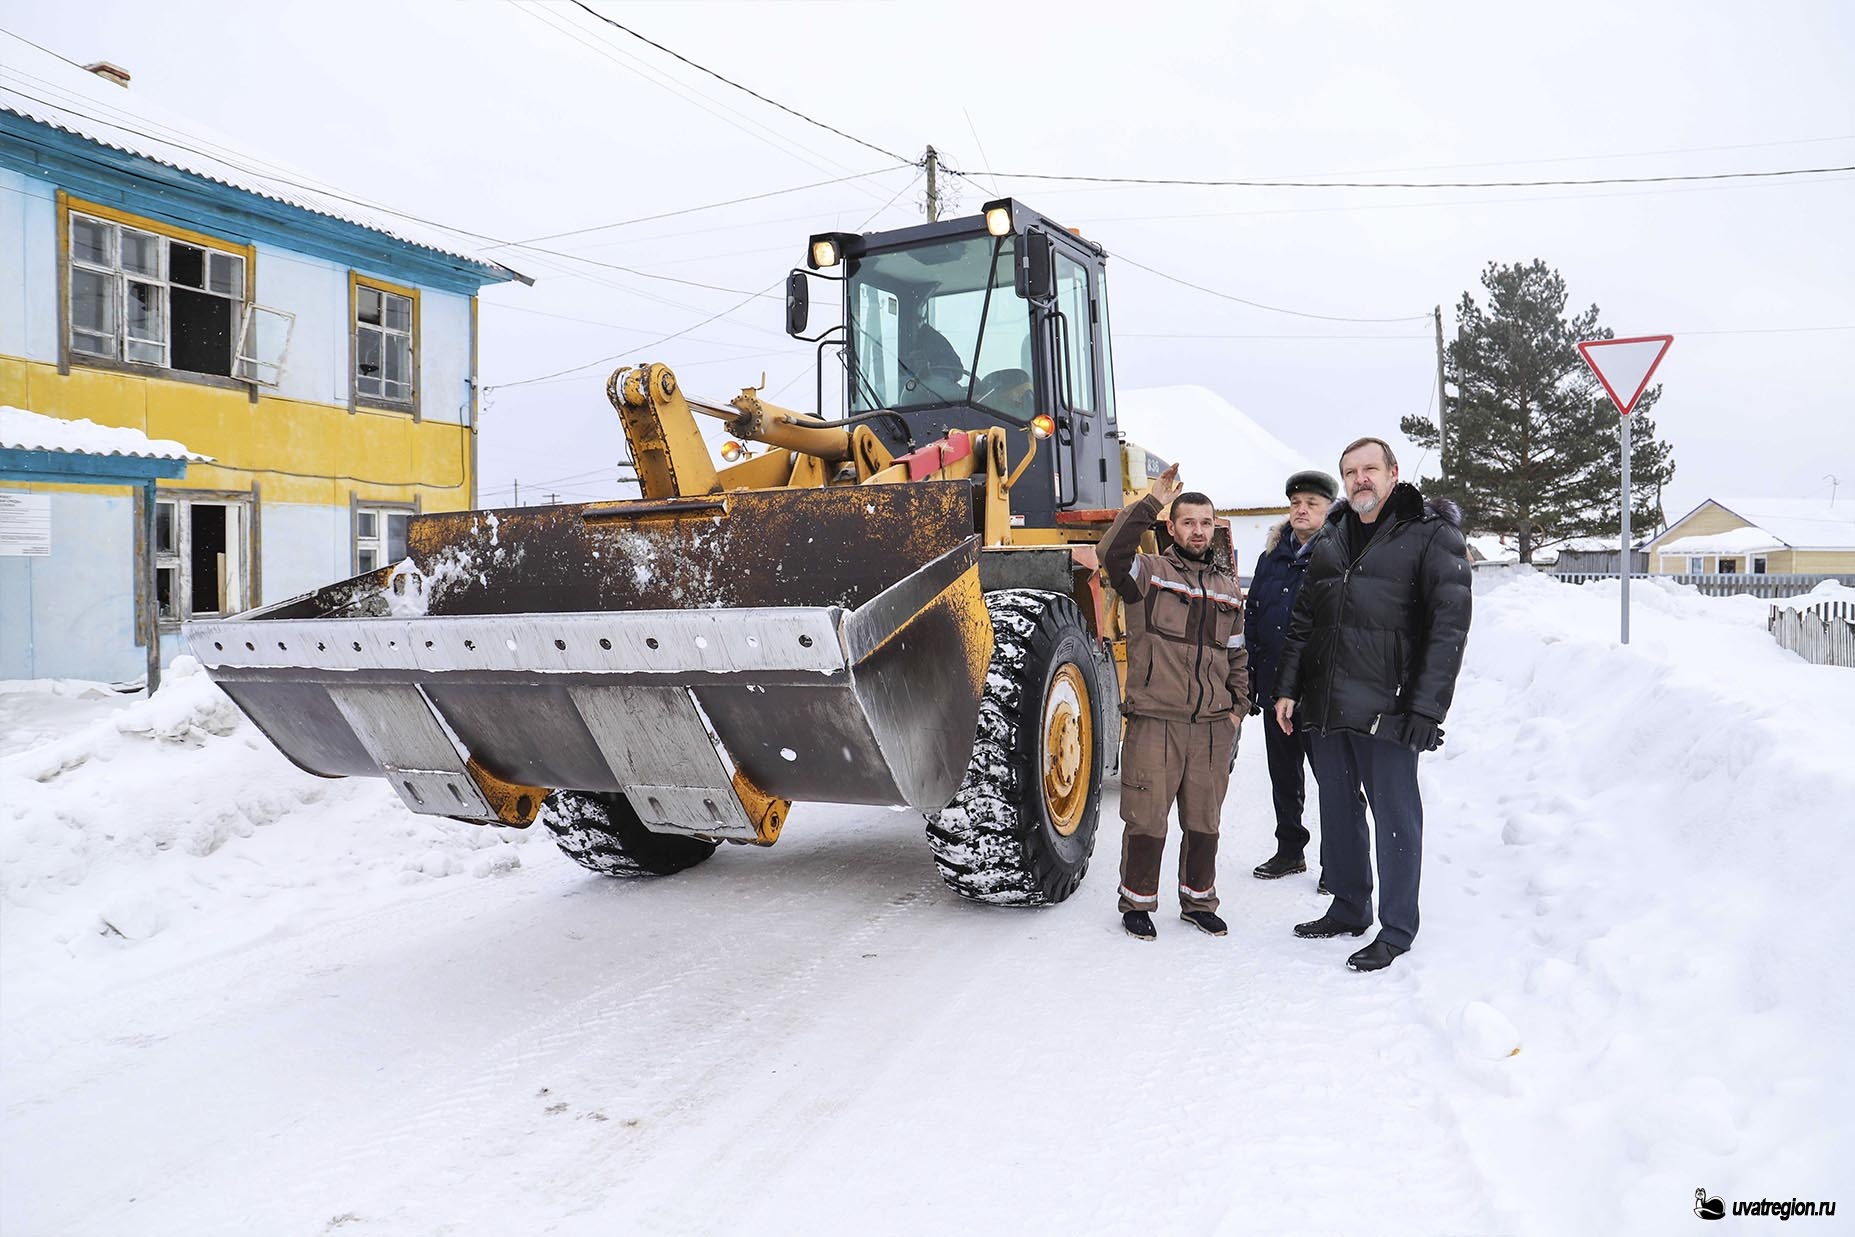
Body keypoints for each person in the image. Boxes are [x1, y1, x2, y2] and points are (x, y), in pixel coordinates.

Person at [1272, 436, 1471, 972]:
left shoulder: (1432, 536)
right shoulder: (1332, 536)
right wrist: (1289, 688)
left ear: (1392, 473)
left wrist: (1427, 710)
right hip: (1327, 703)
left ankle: (1398, 927)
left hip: (1391, 704)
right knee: (1337, 807)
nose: (1361, 478)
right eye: (1351, 471)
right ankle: (1349, 905)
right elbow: (1305, 621)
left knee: (1396, 817)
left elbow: (1448, 627)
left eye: (1369, 469)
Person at [1100, 463, 1250, 940]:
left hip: (1210, 726)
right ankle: (1137, 902)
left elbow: (1238, 653)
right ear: (1172, 526)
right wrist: (1151, 499)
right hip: (1155, 721)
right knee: (1146, 819)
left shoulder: (1229, 590)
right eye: (1189, 522)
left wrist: (1237, 708)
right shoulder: (1150, 574)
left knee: (1205, 820)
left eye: (1206, 523)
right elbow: (1110, 552)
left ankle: (1199, 901)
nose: (1199, 531)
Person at [1243, 469, 1339, 885]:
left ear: (1328, 510)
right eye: (1295, 503)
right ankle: (1290, 851)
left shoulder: (1338, 554)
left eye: (1311, 504)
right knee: (1283, 776)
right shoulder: (1272, 558)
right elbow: (1254, 617)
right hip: (1274, 685)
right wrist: (1250, 677)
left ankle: (1339, 862)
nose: (1301, 510)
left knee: (1334, 781)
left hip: (1320, 691)